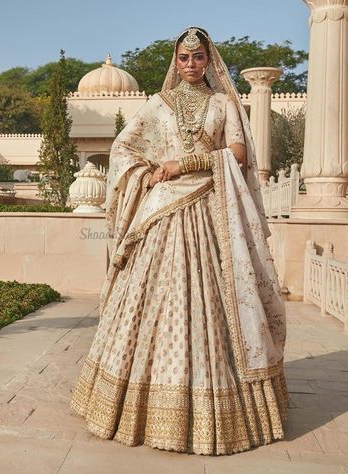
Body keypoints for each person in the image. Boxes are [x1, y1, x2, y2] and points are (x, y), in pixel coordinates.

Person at [70, 27, 288, 456]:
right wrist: (146, 174)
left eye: (199, 56)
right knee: (153, 301)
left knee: (215, 300)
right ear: (176, 60)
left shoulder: (225, 103)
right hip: (162, 215)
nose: (192, 64)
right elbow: (123, 149)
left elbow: (239, 155)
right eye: (185, 57)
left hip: (210, 210)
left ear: (209, 60)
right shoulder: (158, 104)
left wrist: (183, 162)